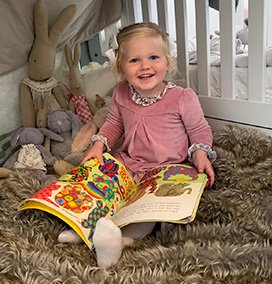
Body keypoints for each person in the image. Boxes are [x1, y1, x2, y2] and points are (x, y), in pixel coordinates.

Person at [58, 22, 216, 268]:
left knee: (145, 207)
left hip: (167, 169)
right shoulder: (121, 93)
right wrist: (98, 145)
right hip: (130, 163)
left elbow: (199, 131)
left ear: (167, 61)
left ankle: (119, 241)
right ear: (120, 67)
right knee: (98, 184)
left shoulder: (182, 98)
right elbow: (113, 125)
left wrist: (200, 153)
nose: (145, 66)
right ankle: (84, 228)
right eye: (134, 60)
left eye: (153, 57)